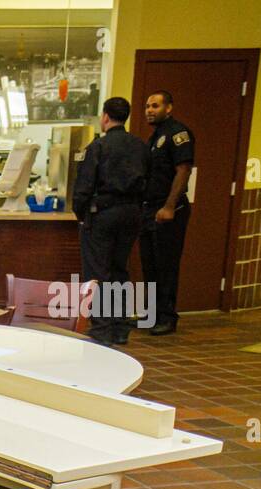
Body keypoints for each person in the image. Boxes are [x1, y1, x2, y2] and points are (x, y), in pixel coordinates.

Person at [73, 96, 148, 347]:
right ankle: (120, 327)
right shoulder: (140, 146)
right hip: (131, 213)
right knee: (120, 269)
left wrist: (81, 214)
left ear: (105, 117)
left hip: (103, 214)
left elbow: (84, 186)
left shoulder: (99, 147)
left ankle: (102, 328)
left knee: (98, 272)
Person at [140, 90, 195, 336]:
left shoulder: (177, 134)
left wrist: (170, 206)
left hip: (169, 210)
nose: (150, 110)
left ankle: (167, 317)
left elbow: (183, 171)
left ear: (169, 108)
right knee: (150, 266)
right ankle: (152, 314)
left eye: (155, 106)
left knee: (166, 266)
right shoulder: (155, 137)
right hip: (150, 210)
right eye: (148, 106)